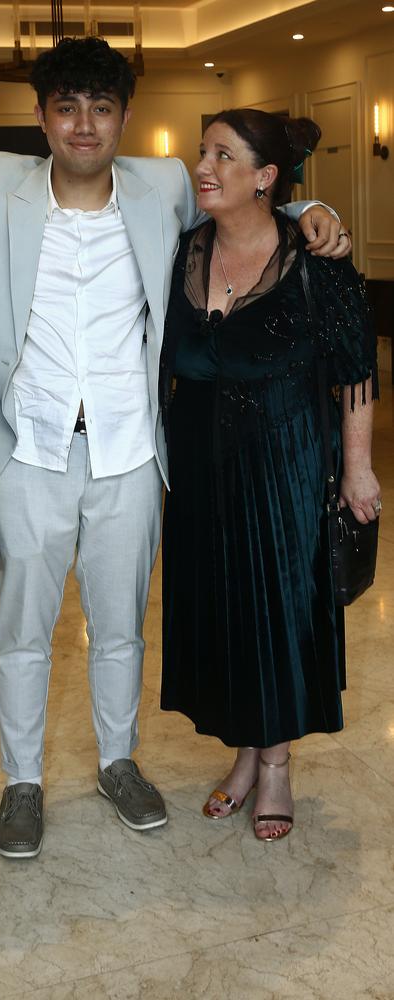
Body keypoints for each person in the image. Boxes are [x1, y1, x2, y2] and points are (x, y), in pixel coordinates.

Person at [0, 39, 348, 861]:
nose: (84, 125)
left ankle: (118, 761)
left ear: (124, 118)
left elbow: (248, 203)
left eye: (102, 108)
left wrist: (309, 214)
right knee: (22, 630)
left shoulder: (165, 186)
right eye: (67, 108)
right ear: (41, 117)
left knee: (121, 626)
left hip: (128, 454)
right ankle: (22, 781)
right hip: (29, 453)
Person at [160, 108, 380, 842]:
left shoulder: (316, 259)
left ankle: (276, 764)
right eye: (202, 153)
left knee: (277, 613)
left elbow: (355, 371)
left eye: (223, 156)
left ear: (266, 179)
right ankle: (247, 753)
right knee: (224, 613)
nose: (204, 167)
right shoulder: (183, 250)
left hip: (284, 463)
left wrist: (358, 469)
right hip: (198, 471)